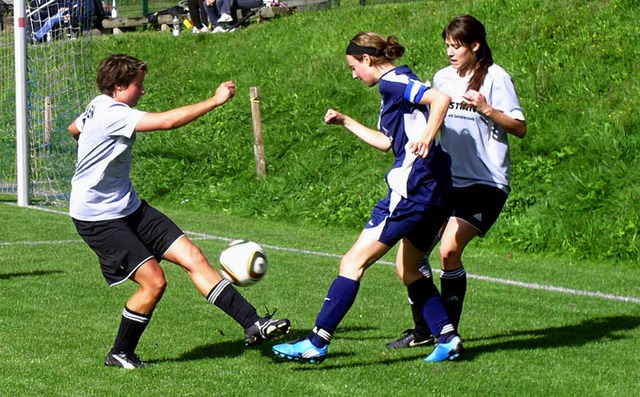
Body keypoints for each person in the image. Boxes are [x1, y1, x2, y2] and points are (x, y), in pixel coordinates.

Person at [68, 54, 291, 369]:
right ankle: (120, 353)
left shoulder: (98, 105)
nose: (143, 91)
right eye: (138, 85)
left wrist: (90, 148)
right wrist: (214, 101)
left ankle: (251, 323)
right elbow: (168, 121)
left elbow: (73, 128)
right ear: (118, 86)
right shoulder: (112, 114)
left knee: (193, 257)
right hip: (97, 218)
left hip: (128, 206)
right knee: (154, 282)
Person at [272, 32, 462, 364]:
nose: (353, 74)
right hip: (437, 192)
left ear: (367, 59)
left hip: (412, 189)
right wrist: (346, 121)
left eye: (353, 67)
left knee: (351, 263)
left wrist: (427, 139)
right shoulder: (401, 79)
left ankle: (316, 342)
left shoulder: (394, 83)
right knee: (410, 270)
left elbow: (440, 100)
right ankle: (448, 339)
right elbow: (386, 142)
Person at [386, 15, 527, 349]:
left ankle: (446, 334)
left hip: (485, 182)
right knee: (411, 256)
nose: (450, 52)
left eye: (457, 46)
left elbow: (519, 128)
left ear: (474, 45)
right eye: (447, 45)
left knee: (449, 249)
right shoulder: (442, 78)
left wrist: (487, 109)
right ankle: (424, 332)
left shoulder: (496, 77)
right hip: (445, 180)